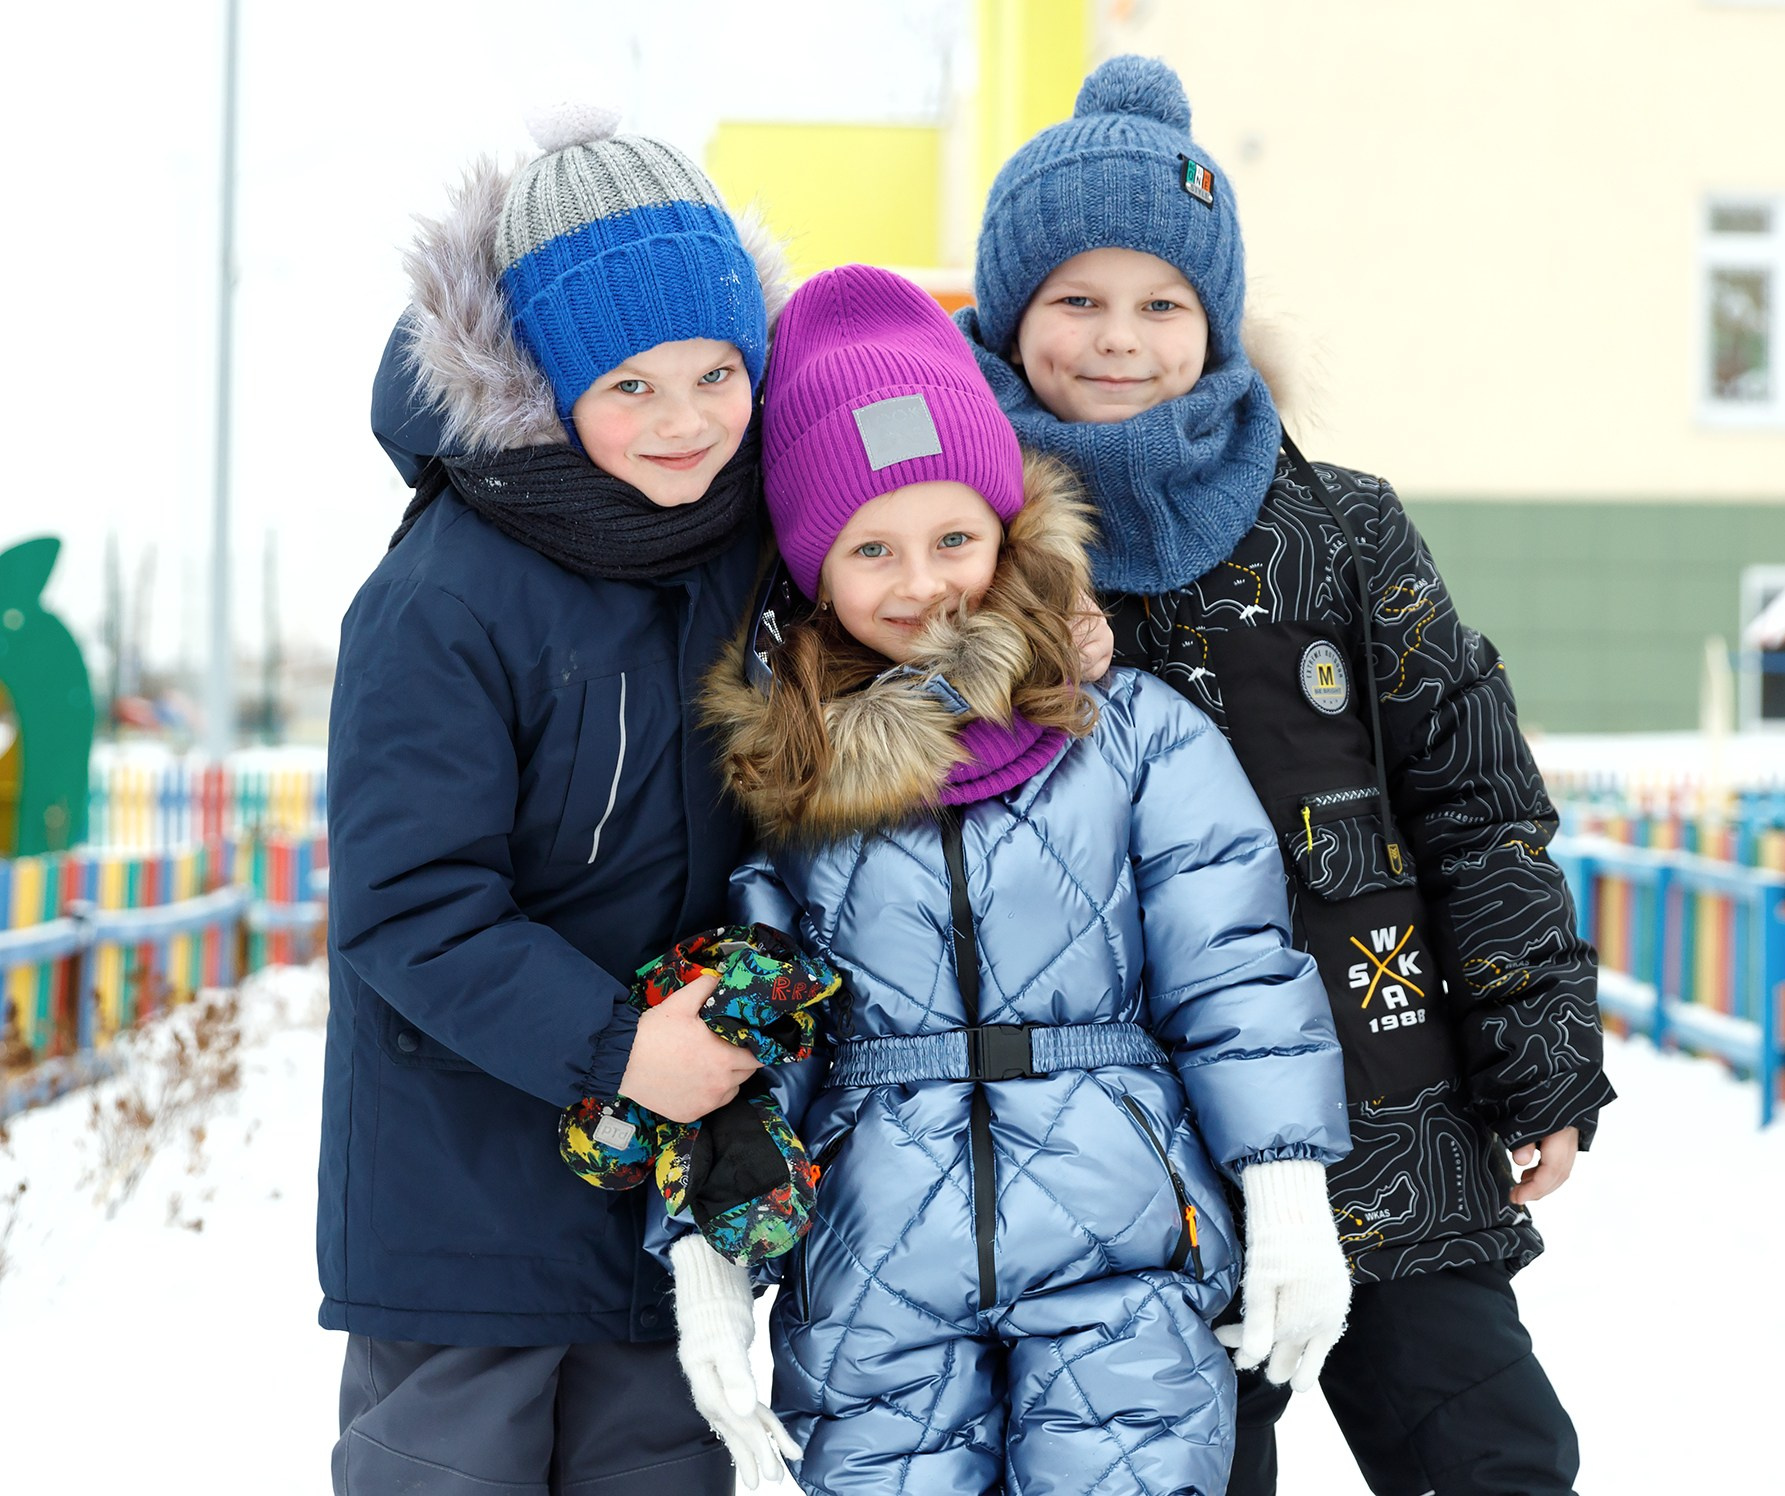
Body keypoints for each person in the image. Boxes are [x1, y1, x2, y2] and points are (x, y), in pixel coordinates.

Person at [957, 56, 1619, 1496]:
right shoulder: (967, 547)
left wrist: (1537, 1055)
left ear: (1215, 318)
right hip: (1139, 1162)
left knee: (1494, 1454)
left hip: (1389, 1115)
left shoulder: (1340, 530)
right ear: (1011, 315)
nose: (1120, 340)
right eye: (1077, 300)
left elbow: (1475, 803)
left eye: (1161, 304)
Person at [666, 263, 1354, 1496]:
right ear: (817, 573)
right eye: (871, 547)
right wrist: (711, 1253)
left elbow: (1234, 961)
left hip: (1123, 1248)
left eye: (952, 537)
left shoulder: (1131, 731)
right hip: (875, 1269)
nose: (922, 580)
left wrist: (1289, 1180)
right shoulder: (790, 778)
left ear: (1008, 530)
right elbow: (755, 1019)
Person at [318, 106, 792, 1495]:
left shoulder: (753, 549)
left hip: (665, 1230)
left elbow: (933, 521)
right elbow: (410, 906)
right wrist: (617, 1049)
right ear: (541, 378)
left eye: (716, 373)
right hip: (461, 1234)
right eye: (629, 383)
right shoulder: (444, 597)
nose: (686, 420)